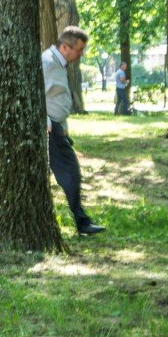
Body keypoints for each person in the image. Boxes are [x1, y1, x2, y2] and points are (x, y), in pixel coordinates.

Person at [43, 26, 104, 235]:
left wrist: (63, 126)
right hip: (49, 130)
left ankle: (81, 221)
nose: (81, 54)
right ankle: (82, 222)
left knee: (69, 173)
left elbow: (56, 96)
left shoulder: (59, 63)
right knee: (71, 173)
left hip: (58, 128)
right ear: (65, 47)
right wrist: (45, 121)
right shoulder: (48, 63)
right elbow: (33, 92)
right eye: (79, 49)